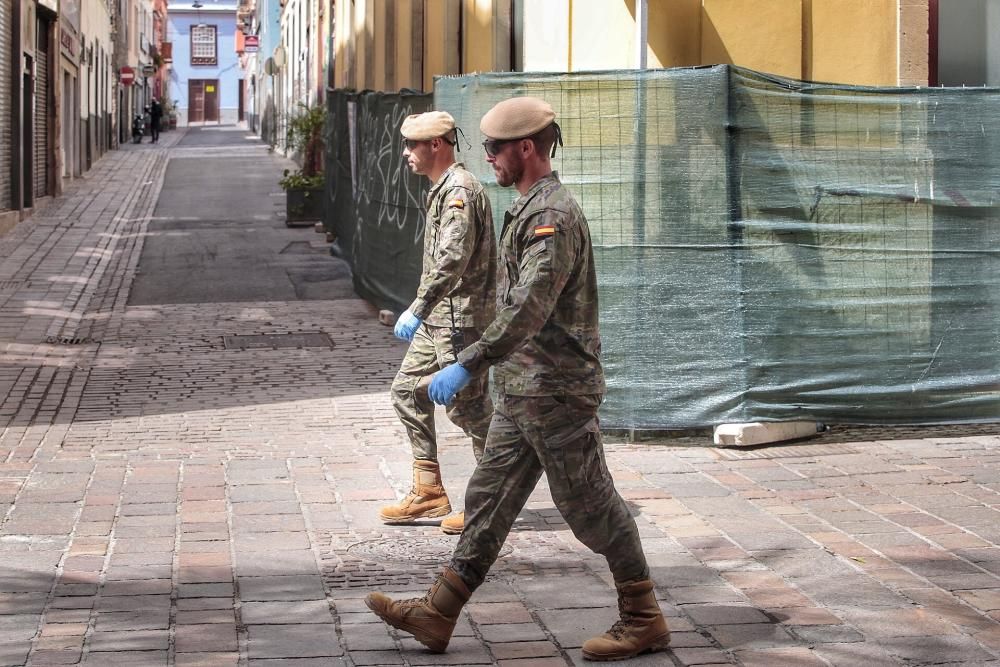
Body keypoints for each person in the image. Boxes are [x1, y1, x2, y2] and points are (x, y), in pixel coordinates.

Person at [365, 97, 670, 662]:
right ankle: (438, 613)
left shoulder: (553, 216)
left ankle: (644, 616)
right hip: (520, 390)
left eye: (495, 149)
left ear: (525, 148)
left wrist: (467, 360)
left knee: (590, 505)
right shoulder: (528, 208)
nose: (488, 159)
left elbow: (529, 305)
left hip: (556, 392)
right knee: (486, 500)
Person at [379, 110, 497, 536]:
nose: (407, 153)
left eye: (413, 145)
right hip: (439, 320)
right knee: (407, 391)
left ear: (437, 145)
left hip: (460, 320)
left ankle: (491, 500)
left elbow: (453, 258)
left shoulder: (460, 191)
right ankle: (428, 492)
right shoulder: (441, 189)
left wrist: (419, 306)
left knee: (470, 410)